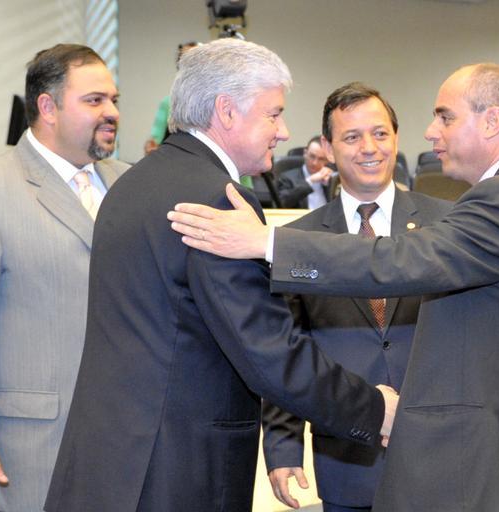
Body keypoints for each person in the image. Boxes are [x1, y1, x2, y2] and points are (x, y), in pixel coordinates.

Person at [168, 63, 499, 511]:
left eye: (445, 117)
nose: (431, 131)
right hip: (402, 458)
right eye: (352, 137)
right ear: (329, 147)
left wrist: (266, 242)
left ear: (492, 121)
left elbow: (399, 259)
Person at [45, 39, 397, 512]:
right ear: (227, 111)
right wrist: (374, 409)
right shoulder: (219, 200)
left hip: (112, 463)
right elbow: (269, 349)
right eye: (273, 114)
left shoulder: (132, 183)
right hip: (176, 473)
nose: (283, 131)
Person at [0, 44, 128, 511]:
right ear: (47, 107)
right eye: (95, 100)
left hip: (126, 436)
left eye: (114, 100)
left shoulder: (129, 183)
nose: (112, 112)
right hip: (32, 444)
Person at [262, 82, 452, 511]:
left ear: (396, 138)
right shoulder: (298, 241)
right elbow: (286, 350)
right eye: (351, 137)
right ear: (327, 147)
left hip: (439, 454)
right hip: (345, 458)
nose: (369, 148)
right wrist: (283, 446)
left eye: (380, 133)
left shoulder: (447, 225)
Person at [143, 40, 201, 154]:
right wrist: (152, 147)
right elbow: (153, 144)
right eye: (184, 61)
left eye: (194, 61)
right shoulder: (168, 103)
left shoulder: (215, 103)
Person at [276, 135, 334, 209]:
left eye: (321, 159)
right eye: (312, 156)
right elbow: (282, 203)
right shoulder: (287, 178)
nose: (315, 163)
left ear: (327, 160)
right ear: (305, 153)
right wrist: (310, 181)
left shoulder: (332, 177)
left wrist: (332, 183)